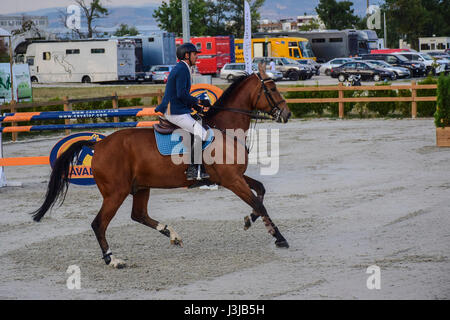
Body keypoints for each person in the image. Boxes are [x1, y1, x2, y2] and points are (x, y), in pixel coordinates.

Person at [155, 42, 211, 180]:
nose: (196, 57)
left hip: (178, 108)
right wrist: (199, 101)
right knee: (202, 134)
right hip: (174, 111)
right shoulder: (182, 69)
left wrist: (195, 107)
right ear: (187, 55)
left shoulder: (182, 68)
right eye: (194, 54)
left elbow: (181, 95)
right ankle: (192, 169)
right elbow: (181, 94)